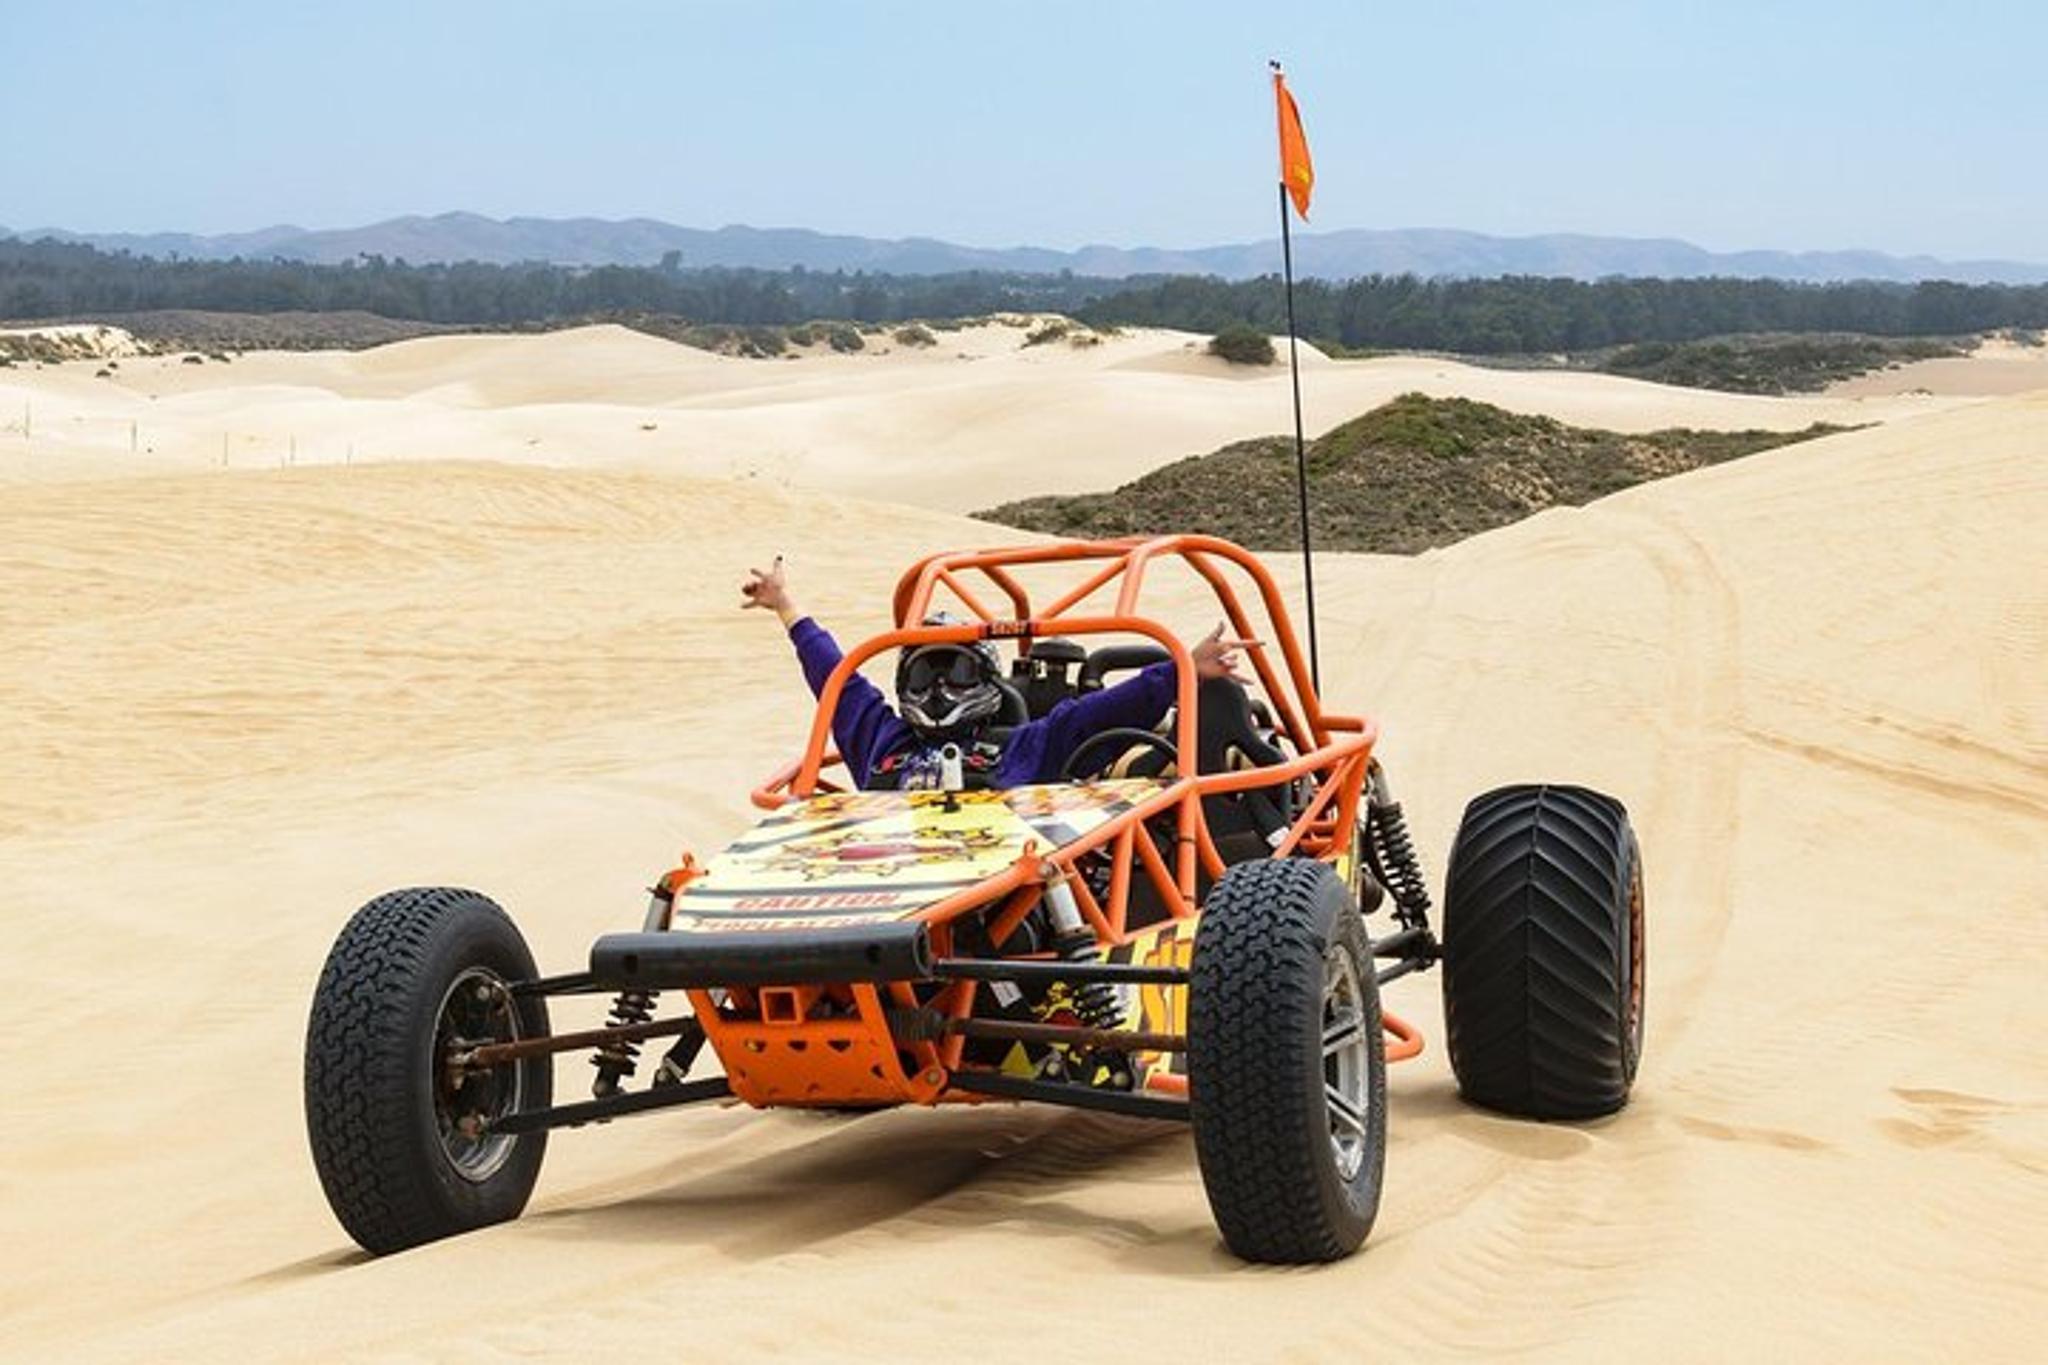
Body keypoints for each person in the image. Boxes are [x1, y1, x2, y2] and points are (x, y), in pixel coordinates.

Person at [741, 556, 1253, 791]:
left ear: (986, 680)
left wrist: (1183, 667)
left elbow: (1095, 716)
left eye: (958, 671)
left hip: (998, 916)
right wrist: (787, 607)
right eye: (924, 677)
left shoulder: (1021, 746)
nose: (939, 689)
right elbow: (838, 682)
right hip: (884, 903)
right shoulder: (881, 741)